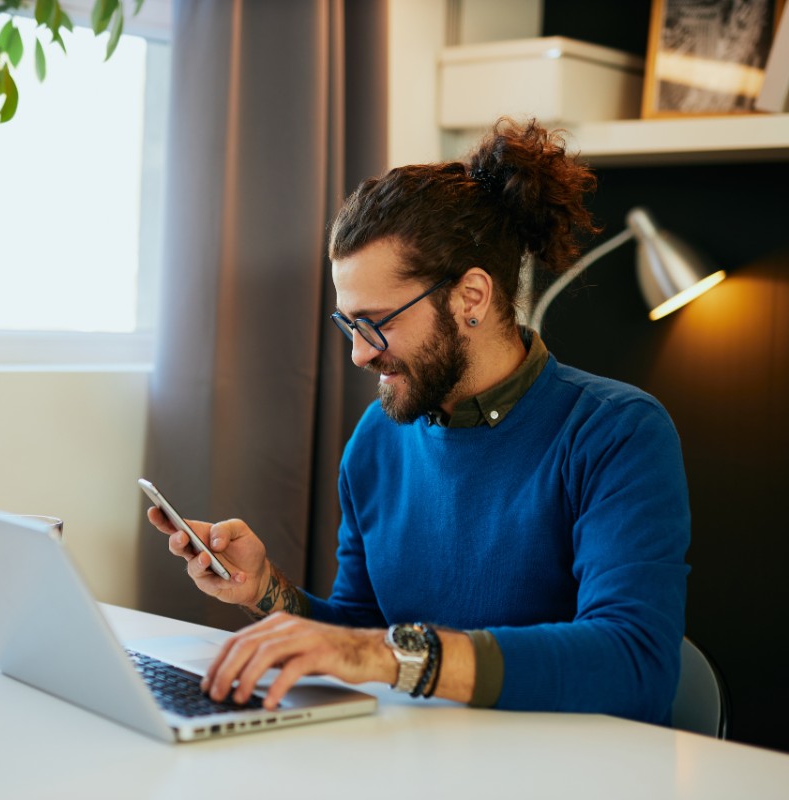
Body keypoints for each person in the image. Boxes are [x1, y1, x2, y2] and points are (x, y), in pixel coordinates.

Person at [147, 117, 690, 723]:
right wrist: (265, 592)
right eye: (348, 324)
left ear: (471, 298)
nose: (358, 352)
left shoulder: (616, 433)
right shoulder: (377, 441)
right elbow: (359, 633)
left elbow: (634, 663)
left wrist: (387, 655)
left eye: (376, 321)